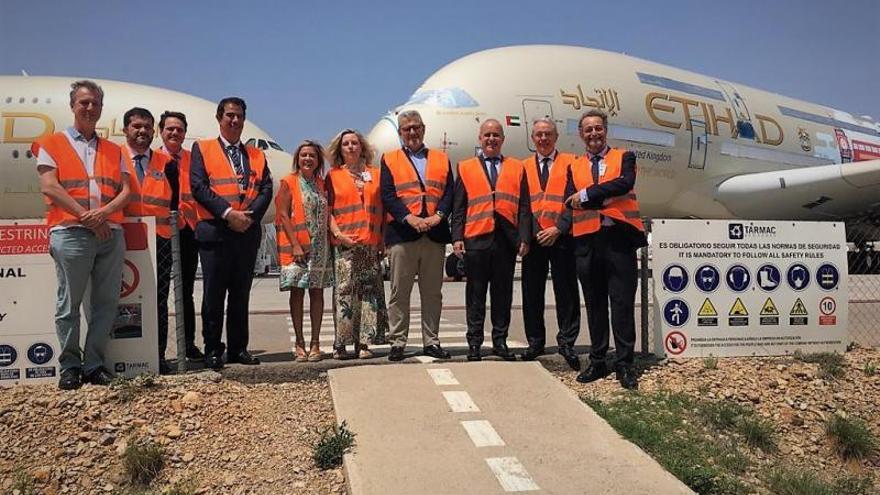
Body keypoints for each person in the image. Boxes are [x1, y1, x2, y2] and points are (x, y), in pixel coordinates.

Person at [33, 80, 131, 389]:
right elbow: (49, 185)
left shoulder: (114, 150)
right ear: (73, 105)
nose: (90, 108)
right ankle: (70, 367)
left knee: (106, 304)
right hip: (71, 232)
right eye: (84, 103)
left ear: (101, 108)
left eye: (95, 103)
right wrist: (86, 216)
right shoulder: (51, 143)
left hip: (109, 234)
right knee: (69, 305)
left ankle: (94, 364)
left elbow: (127, 191)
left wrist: (102, 214)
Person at [564, 109, 647, 389]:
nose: (593, 134)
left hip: (619, 241)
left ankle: (624, 364)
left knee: (622, 305)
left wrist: (587, 195)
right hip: (587, 242)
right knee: (596, 305)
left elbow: (625, 183)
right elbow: (568, 201)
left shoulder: (624, 157)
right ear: (581, 135)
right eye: (588, 130)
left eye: (598, 128)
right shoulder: (573, 166)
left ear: (606, 130)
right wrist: (600, 197)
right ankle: (598, 361)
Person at [190, 97, 273, 369]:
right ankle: (213, 349)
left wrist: (249, 217)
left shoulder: (256, 155)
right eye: (229, 116)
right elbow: (199, 188)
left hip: (246, 233)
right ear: (219, 118)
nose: (234, 120)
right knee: (213, 295)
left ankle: (239, 348)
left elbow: (266, 189)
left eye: (239, 116)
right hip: (216, 231)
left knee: (241, 294)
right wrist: (228, 214)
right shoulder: (202, 148)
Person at [452, 119, 531, 362]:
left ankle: (500, 341)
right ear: (480, 138)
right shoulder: (465, 167)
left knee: (502, 295)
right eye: (487, 135)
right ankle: (474, 344)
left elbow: (524, 207)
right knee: (475, 295)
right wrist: (457, 238)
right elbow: (459, 207)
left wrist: (524, 238)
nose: (491, 139)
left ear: (502, 140)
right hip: (476, 239)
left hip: (506, 241)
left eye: (496, 135)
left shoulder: (517, 167)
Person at [380, 110, 453, 362]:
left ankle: (431, 341)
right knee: (400, 292)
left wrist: (439, 215)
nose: (412, 132)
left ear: (424, 129)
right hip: (403, 234)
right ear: (400, 133)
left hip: (434, 232)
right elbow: (388, 195)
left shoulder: (442, 159)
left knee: (432, 292)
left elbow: (449, 193)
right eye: (407, 128)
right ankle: (398, 341)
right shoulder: (389, 159)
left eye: (416, 127)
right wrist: (409, 218)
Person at [519, 118, 581, 370]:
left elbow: (574, 200)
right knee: (531, 293)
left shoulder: (571, 163)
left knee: (566, 292)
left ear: (556, 137)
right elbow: (523, 206)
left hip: (563, 237)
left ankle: (566, 342)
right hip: (534, 239)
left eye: (547, 134)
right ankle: (535, 342)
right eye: (538, 135)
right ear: (532, 138)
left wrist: (558, 228)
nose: (543, 139)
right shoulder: (522, 167)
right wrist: (534, 232)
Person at [120, 107, 175, 375]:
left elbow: (174, 201)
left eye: (147, 127)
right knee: (121, 300)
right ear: (126, 130)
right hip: (122, 239)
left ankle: (157, 356)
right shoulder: (113, 157)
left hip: (159, 242)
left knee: (158, 301)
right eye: (136, 126)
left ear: (154, 132)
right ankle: (122, 358)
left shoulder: (166, 163)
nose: (142, 131)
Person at [326, 129, 388, 359]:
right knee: (344, 293)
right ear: (340, 149)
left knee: (369, 293)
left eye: (355, 143)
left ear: (362, 147)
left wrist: (383, 239)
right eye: (346, 144)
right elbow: (328, 211)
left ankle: (364, 343)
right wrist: (337, 233)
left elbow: (383, 210)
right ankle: (341, 342)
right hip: (345, 244)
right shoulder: (332, 176)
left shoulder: (376, 174)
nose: (351, 147)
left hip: (370, 243)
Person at [275, 140, 333, 362]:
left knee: (317, 293)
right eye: (303, 155)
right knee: (297, 293)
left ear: (318, 161)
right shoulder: (288, 182)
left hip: (319, 247)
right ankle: (299, 343)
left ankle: (315, 342)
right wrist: (295, 244)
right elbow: (282, 214)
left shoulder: (321, 184)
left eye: (312, 156)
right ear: (297, 159)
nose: (307, 159)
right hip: (296, 247)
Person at [155, 111, 204, 364]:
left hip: (187, 230)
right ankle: (158, 350)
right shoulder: (153, 159)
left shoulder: (192, 159)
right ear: (161, 131)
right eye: (170, 129)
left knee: (185, 292)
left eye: (179, 130)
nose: (175, 133)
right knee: (159, 293)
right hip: (160, 232)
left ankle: (188, 345)